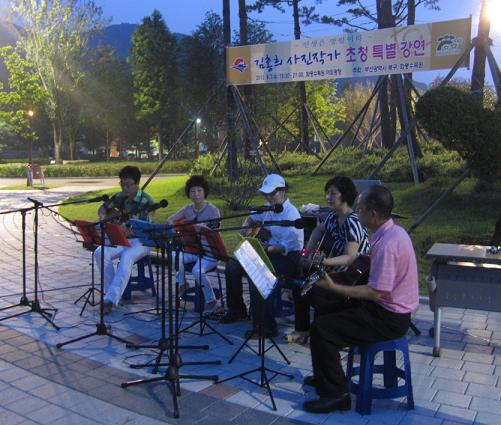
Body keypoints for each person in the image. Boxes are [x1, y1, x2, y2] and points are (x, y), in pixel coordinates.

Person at [302, 185, 419, 414]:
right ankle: (328, 376)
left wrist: (335, 286)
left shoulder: (387, 244)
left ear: (373, 214)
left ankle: (336, 396)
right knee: (324, 305)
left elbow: (375, 292)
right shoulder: (394, 231)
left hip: (388, 317)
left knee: (322, 329)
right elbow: (373, 266)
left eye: (361, 209)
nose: (357, 212)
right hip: (386, 308)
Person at [288, 176, 370, 344]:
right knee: (301, 286)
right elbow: (318, 229)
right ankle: (304, 330)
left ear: (345, 196)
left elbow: (350, 257)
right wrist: (308, 253)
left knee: (314, 290)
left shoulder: (352, 222)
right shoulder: (334, 217)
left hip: (353, 276)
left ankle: (323, 333)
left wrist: (324, 263)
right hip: (337, 270)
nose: (328, 197)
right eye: (327, 193)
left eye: (333, 194)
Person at [220, 174, 304, 339]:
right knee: (232, 266)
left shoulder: (291, 214)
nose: (269, 197)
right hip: (268, 251)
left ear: (283, 191)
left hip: (287, 258)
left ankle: (266, 327)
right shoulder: (268, 209)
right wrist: (245, 229)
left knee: (257, 274)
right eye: (267, 194)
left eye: (272, 193)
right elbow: (251, 217)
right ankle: (237, 310)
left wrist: (267, 248)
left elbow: (288, 247)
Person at [94, 166, 155, 314]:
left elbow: (139, 227)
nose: (124, 187)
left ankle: (109, 300)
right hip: (123, 239)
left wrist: (123, 227)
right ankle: (111, 294)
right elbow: (103, 208)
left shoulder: (146, 201)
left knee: (127, 256)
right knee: (99, 252)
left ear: (137, 183)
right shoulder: (120, 196)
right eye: (122, 183)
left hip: (142, 240)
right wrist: (104, 220)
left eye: (128, 184)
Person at [167, 175, 221, 313]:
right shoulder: (187, 209)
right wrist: (181, 229)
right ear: (188, 193)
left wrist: (201, 228)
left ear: (204, 192)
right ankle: (183, 283)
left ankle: (211, 300)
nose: (196, 194)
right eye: (192, 191)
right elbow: (170, 220)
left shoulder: (213, 210)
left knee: (197, 271)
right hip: (193, 250)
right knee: (174, 255)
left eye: (199, 191)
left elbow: (215, 232)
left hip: (210, 253)